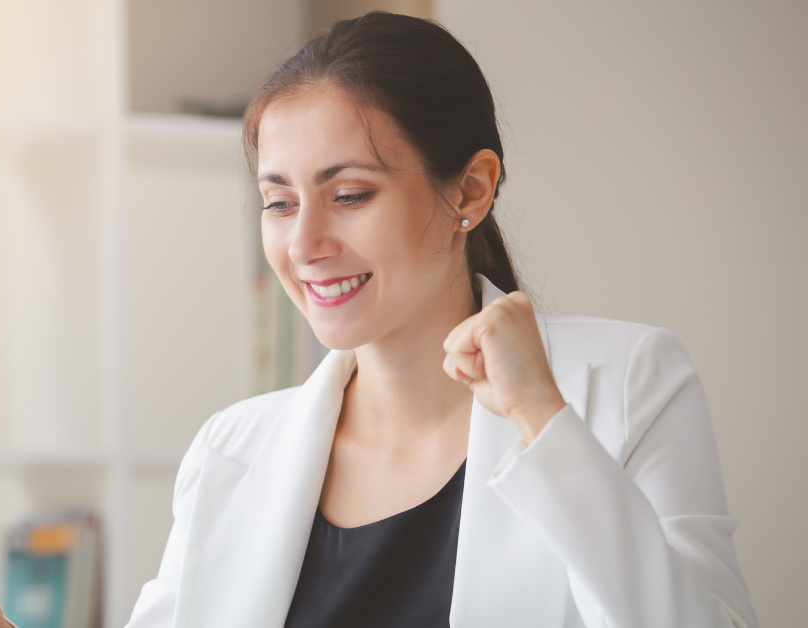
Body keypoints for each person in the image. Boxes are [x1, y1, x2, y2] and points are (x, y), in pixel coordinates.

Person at [124, 12, 757, 628]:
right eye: (280, 203)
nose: (303, 243)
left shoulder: (630, 382)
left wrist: (543, 419)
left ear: (472, 190)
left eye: (349, 195)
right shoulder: (229, 451)